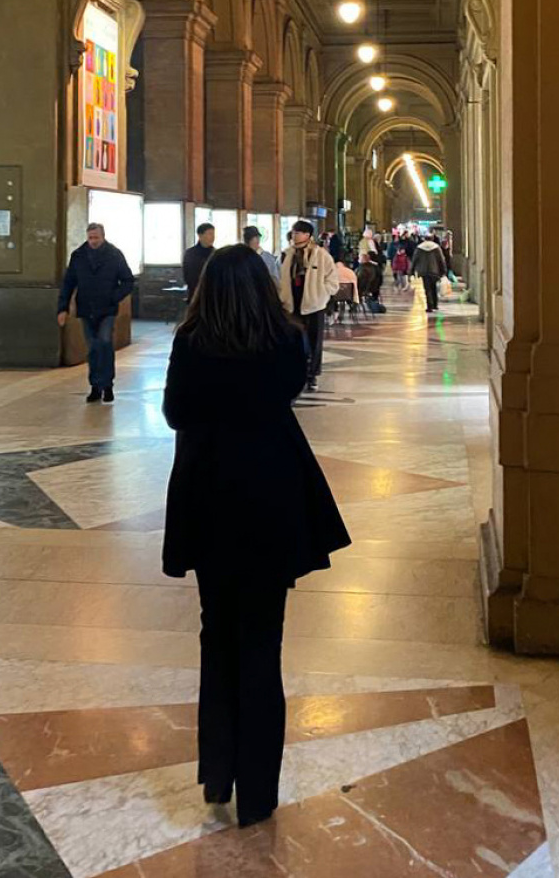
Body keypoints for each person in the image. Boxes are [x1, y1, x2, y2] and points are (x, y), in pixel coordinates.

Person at [162, 245, 350, 828]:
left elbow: (174, 413)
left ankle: (218, 773)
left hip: (210, 496)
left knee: (216, 634)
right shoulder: (286, 342)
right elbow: (287, 394)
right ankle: (259, 794)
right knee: (263, 644)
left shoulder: (190, 344)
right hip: (273, 496)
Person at [57, 222, 135, 402]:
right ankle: (95, 386)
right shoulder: (78, 256)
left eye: (96, 238)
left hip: (106, 309)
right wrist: (62, 308)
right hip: (86, 308)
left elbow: (128, 281)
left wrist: (113, 297)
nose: (93, 241)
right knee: (93, 348)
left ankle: (107, 385)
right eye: (90, 238)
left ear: (103, 236)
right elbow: (68, 282)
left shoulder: (114, 255)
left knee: (105, 344)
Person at [279, 219, 339, 390]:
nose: (294, 235)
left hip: (314, 305)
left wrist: (322, 294)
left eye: (298, 232)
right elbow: (279, 277)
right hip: (291, 304)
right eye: (293, 232)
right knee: (293, 340)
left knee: (314, 341)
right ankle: (294, 373)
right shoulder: (286, 254)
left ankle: (312, 375)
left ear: (308, 235)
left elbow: (332, 280)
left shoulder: (321, 255)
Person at [412, 234, 447, 314]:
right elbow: (441, 260)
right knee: (434, 287)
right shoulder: (436, 247)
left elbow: (414, 259)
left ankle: (429, 306)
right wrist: (444, 271)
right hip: (435, 271)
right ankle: (435, 304)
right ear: (432, 239)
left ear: (424, 239)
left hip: (423, 271)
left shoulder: (419, 248)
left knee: (427, 289)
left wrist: (411, 271)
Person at [182, 223, 216, 302]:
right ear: (200, 235)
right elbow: (188, 275)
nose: (213, 237)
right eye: (209, 234)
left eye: (213, 234)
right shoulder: (190, 253)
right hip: (196, 293)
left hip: (213, 294)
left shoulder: (216, 253)